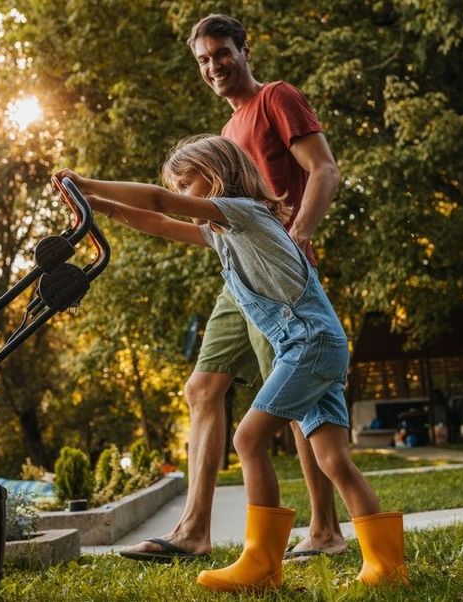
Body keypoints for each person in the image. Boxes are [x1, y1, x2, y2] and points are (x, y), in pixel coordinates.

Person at [53, 134, 408, 591]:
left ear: (217, 173)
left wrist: (85, 180)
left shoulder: (245, 211)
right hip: (312, 345)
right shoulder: (222, 234)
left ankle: (261, 564)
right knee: (334, 460)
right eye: (178, 184)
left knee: (247, 439)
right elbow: (159, 222)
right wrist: (94, 203)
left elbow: (163, 202)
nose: (181, 192)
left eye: (187, 181)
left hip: (309, 343)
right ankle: (387, 566)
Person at [119, 13, 346, 563]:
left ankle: (324, 529)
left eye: (223, 53)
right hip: (237, 282)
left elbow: (323, 170)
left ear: (245, 50)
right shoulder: (225, 135)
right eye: (204, 59)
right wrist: (116, 210)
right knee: (201, 388)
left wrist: (298, 237)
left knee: (293, 398)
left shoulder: (275, 98)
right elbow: (205, 222)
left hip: (279, 283)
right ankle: (194, 530)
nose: (214, 66)